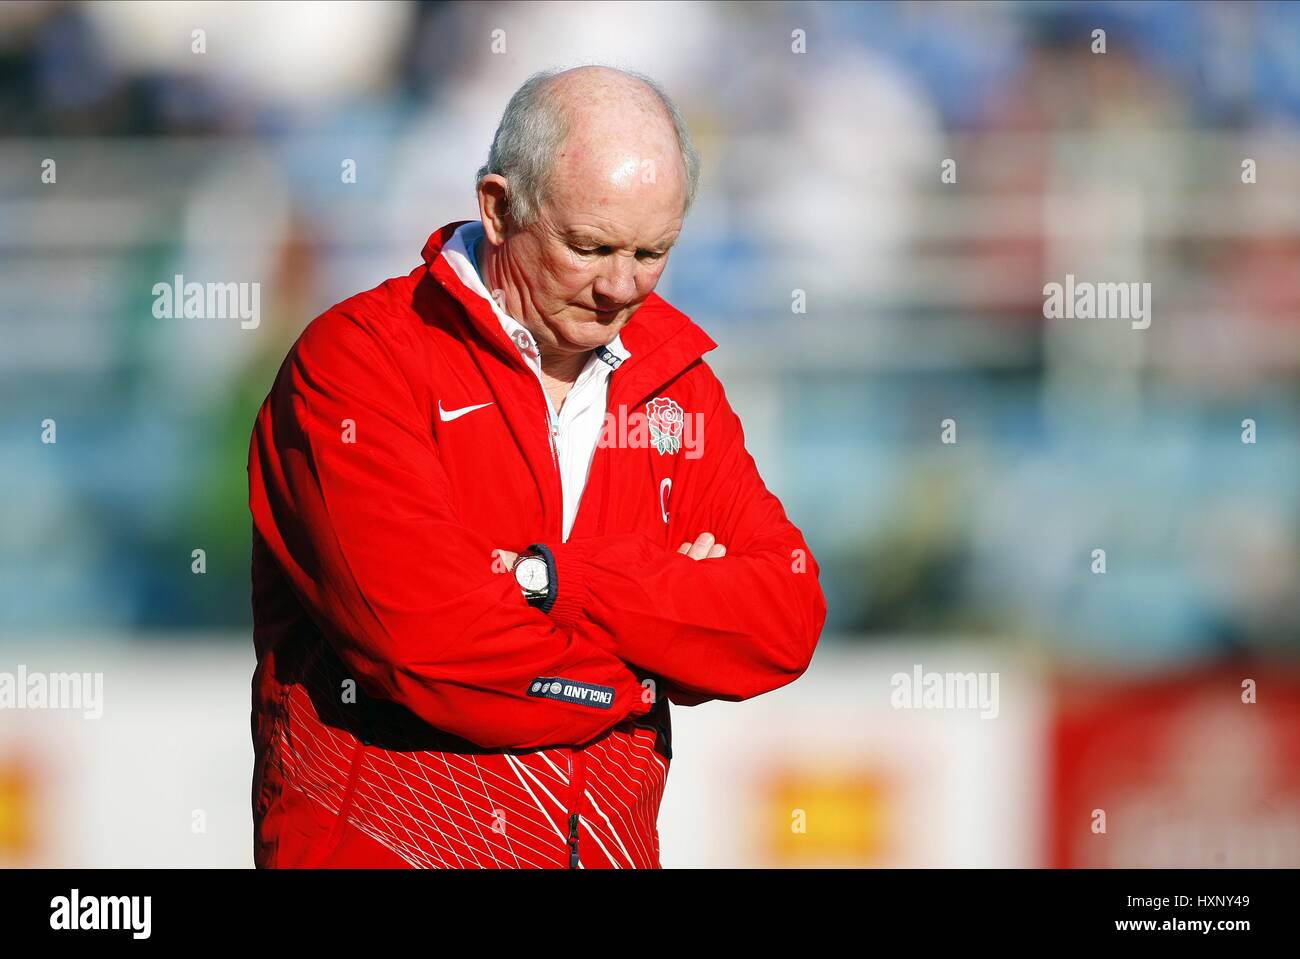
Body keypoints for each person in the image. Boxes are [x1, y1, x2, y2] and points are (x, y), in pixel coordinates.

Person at [247, 65, 827, 868]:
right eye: (589, 247)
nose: (620, 286)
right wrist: (647, 660)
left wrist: (557, 584)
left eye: (653, 251)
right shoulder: (359, 364)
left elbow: (784, 617)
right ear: (498, 208)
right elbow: (421, 648)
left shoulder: (676, 383)